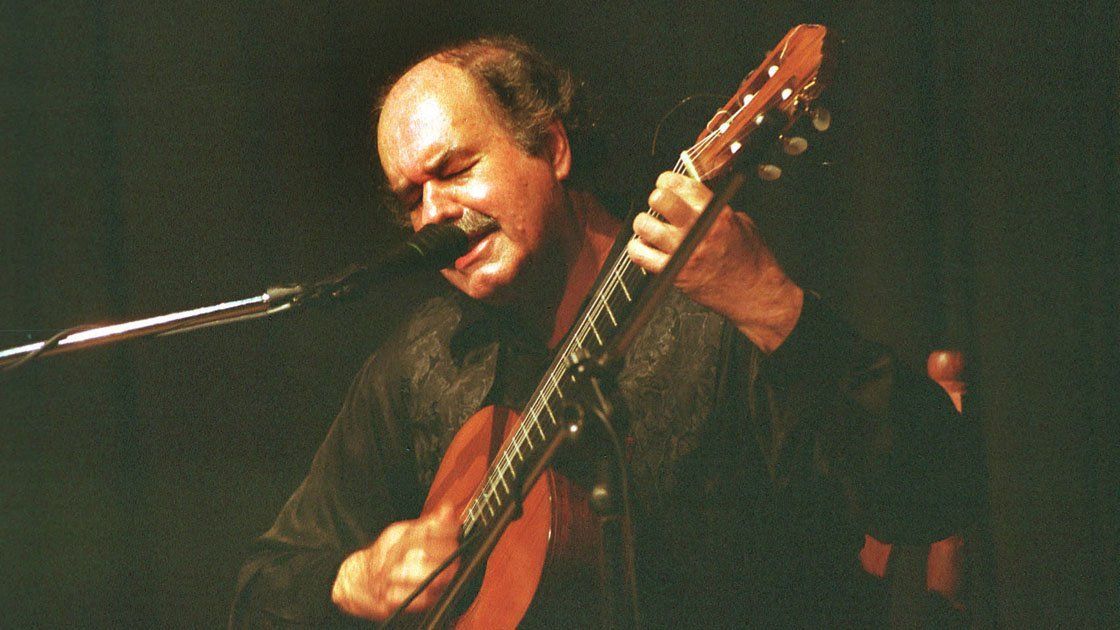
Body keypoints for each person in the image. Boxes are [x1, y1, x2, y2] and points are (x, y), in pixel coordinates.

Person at [230, 36, 982, 627]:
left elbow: (935, 493)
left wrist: (771, 306)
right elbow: (262, 590)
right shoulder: (425, 360)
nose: (433, 215)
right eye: (410, 199)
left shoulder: (717, 307)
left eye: (455, 170)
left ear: (553, 148)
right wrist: (353, 577)